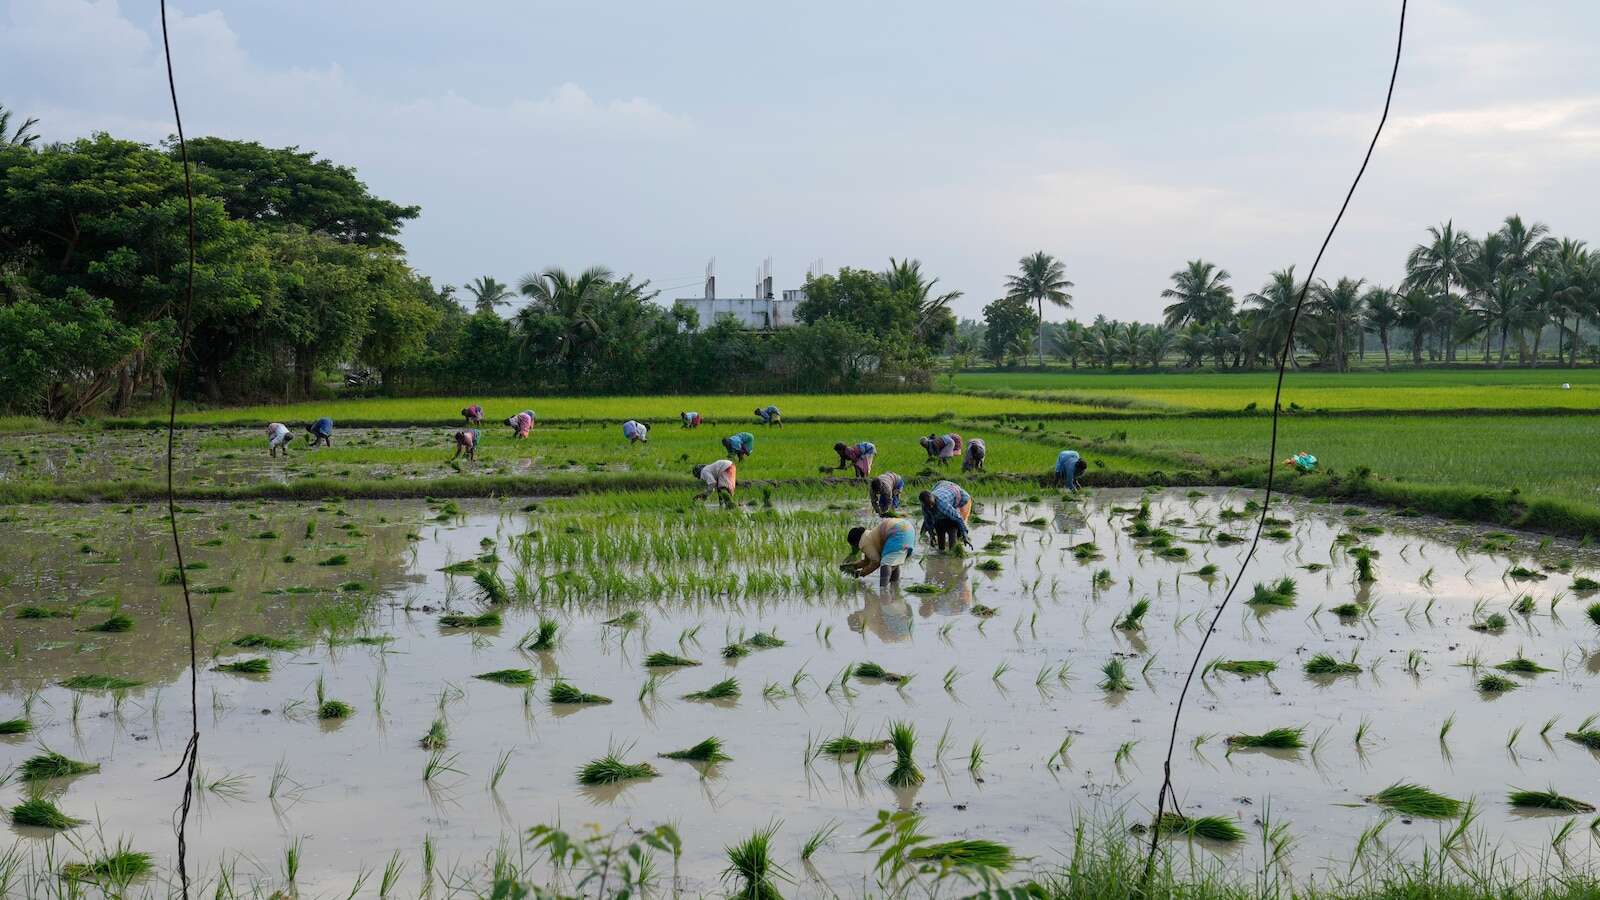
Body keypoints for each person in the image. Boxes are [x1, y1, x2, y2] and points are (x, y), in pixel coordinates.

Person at [842, 517, 916, 586]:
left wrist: (861, 573)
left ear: (855, 542)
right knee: (893, 561)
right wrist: (851, 566)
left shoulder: (864, 543)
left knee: (886, 563)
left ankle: (884, 590)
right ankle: (894, 585)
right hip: (907, 528)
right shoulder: (869, 536)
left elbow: (876, 562)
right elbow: (866, 562)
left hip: (897, 531)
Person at [919, 480, 973, 550]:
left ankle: (959, 541)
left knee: (953, 545)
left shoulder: (942, 505)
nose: (931, 507)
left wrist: (965, 535)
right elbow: (927, 520)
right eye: (928, 505)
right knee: (941, 548)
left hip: (958, 495)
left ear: (934, 498)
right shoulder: (925, 506)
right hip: (942, 486)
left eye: (932, 504)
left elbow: (958, 519)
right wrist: (932, 535)